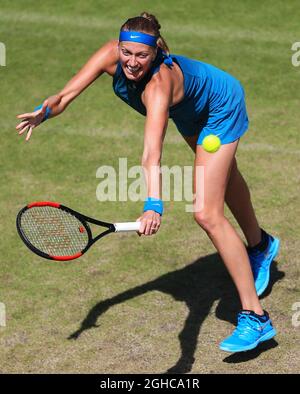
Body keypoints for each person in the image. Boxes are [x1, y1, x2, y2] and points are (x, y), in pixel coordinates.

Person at [16, 12, 280, 352]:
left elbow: (151, 154)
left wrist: (153, 204)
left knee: (206, 213)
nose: (132, 62)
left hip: (221, 105)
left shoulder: (158, 87)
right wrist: (44, 112)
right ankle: (261, 246)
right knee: (224, 179)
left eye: (141, 55)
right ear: (119, 46)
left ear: (155, 52)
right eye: (127, 52)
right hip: (190, 110)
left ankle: (256, 317)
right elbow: (64, 96)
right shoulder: (110, 53)